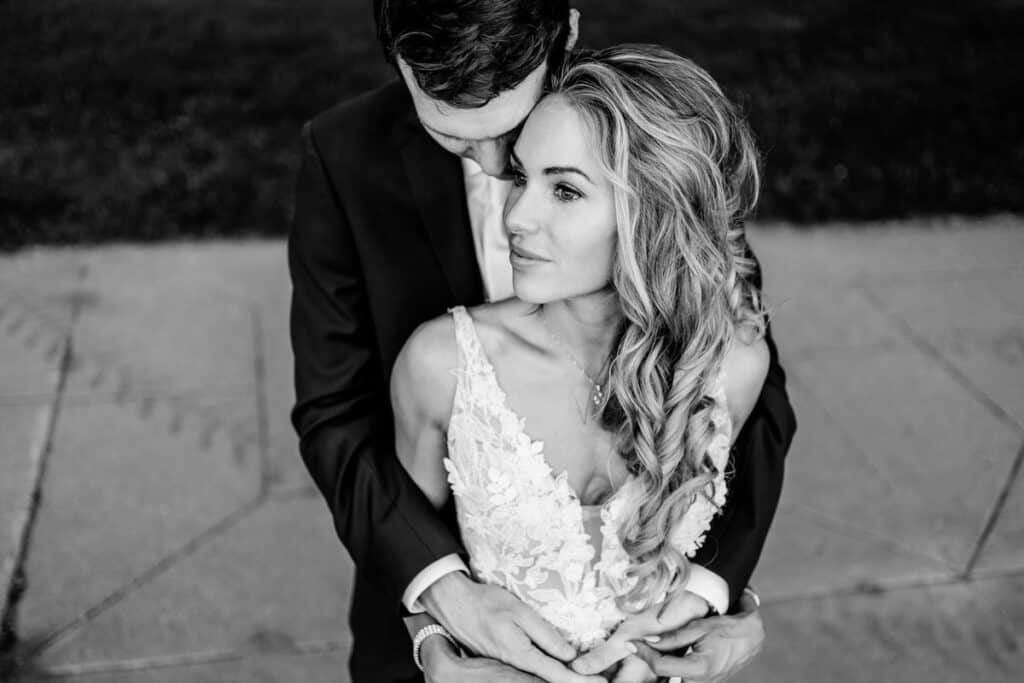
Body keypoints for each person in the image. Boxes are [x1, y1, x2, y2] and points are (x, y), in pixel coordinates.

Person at [288, 1, 796, 681]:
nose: (500, 180)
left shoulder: (646, 135)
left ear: (566, 41)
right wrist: (438, 608)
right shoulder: (345, 157)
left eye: (512, 130)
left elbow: (745, 403)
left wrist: (713, 593)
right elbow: (335, 417)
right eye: (458, 139)